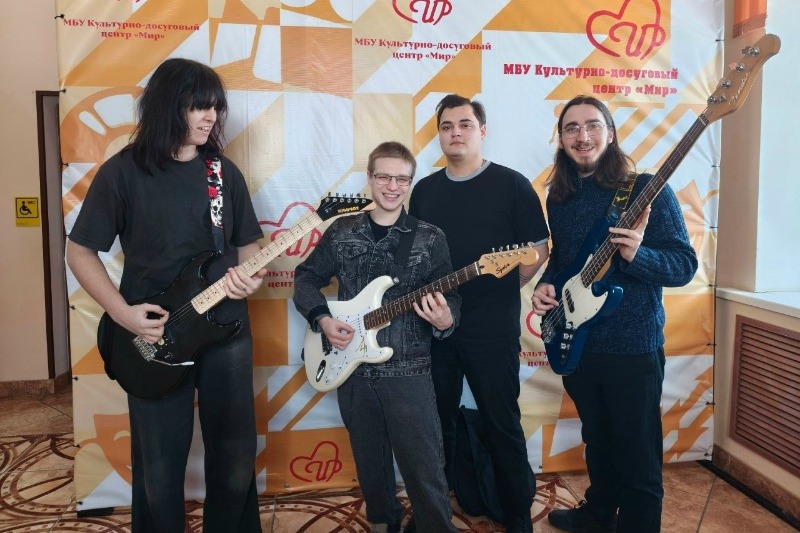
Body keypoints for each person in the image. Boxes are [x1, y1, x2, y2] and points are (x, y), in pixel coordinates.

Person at [66, 58, 264, 533]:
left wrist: (250, 275)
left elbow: (249, 245)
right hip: (154, 333)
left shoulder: (223, 173)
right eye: (199, 106)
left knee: (235, 450)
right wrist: (123, 314)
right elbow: (79, 251)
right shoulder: (122, 172)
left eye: (215, 107)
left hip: (226, 328)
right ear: (167, 105)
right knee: (159, 460)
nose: (211, 116)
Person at [531, 95, 698, 533]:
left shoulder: (646, 190)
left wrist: (638, 254)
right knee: (597, 438)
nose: (582, 136)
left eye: (592, 125)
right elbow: (564, 259)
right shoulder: (559, 197)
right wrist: (546, 283)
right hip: (580, 341)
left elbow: (683, 265)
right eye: (571, 128)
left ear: (610, 132)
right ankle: (599, 513)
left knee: (637, 453)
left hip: (633, 347)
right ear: (561, 139)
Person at [293, 141, 460, 533]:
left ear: (410, 183)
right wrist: (322, 319)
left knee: (424, 467)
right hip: (351, 368)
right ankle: (384, 522)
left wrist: (445, 318)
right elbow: (305, 277)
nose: (392, 187)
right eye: (384, 177)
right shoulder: (342, 230)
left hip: (409, 369)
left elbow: (451, 297)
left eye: (402, 179)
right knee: (370, 462)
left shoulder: (429, 237)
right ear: (369, 178)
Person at [408, 94, 550, 533]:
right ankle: (433, 514)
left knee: (501, 421)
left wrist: (508, 287)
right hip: (434, 330)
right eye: (447, 126)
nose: (456, 133)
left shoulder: (512, 184)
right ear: (439, 134)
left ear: (482, 131)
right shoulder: (424, 191)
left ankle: (517, 514)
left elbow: (538, 248)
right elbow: (413, 256)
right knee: (437, 425)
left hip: (492, 329)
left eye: (465, 124)